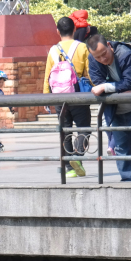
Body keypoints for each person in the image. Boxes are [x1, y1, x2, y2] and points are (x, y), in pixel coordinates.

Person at [87, 34, 131, 182]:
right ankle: (127, 185)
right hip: (115, 112)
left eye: (104, 53)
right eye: (98, 57)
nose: (102, 59)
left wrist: (106, 86)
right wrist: (110, 86)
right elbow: (97, 81)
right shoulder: (92, 59)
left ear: (109, 45)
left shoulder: (125, 55)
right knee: (121, 151)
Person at [43, 16, 91, 177]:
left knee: (65, 130)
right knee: (84, 128)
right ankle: (77, 158)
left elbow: (48, 75)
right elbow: (89, 73)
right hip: (78, 96)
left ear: (58, 31)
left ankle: (70, 169)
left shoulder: (52, 50)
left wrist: (46, 96)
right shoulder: (82, 47)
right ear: (75, 30)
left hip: (59, 98)